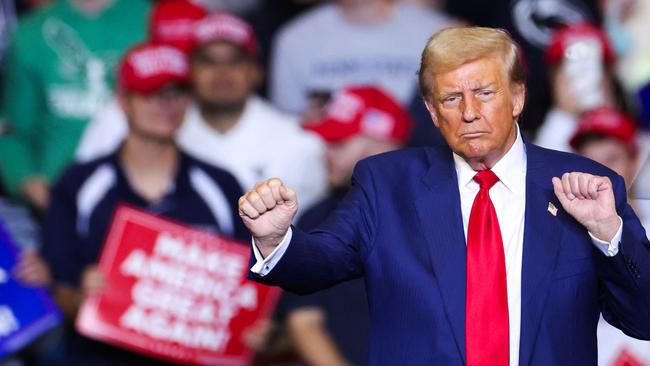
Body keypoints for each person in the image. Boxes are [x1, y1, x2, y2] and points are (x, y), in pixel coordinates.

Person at [239, 27, 650, 365]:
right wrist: (276, 240)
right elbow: (320, 262)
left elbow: (644, 318)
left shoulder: (585, 183)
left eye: (485, 93)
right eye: (452, 98)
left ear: (518, 97)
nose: (469, 112)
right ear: (433, 113)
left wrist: (607, 233)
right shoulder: (388, 184)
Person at [41, 43, 248, 365]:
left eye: (178, 92)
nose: (166, 105)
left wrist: (258, 330)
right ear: (124, 101)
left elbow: (250, 288)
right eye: (151, 93)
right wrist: (84, 297)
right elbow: (58, 288)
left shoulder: (221, 186)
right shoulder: (79, 184)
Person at [76, 11, 327, 213]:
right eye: (207, 60)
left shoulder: (299, 141)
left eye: (235, 60)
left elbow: (313, 231)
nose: (221, 72)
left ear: (256, 72)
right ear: (189, 71)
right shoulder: (162, 126)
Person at [281, 85, 411, 366]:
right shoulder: (317, 218)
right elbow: (304, 321)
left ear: (383, 147)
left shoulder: (440, 212)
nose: (326, 152)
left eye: (338, 143)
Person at [0, 0, 150, 211]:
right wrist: (26, 181)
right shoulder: (32, 32)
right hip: (55, 200)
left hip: (142, 198)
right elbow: (12, 130)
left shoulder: (151, 22)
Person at [568, 107, 650, 365]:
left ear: (634, 162)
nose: (602, 174)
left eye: (612, 158)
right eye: (590, 163)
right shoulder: (563, 236)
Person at [269, 0, 454, 115]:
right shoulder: (294, 38)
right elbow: (287, 125)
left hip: (419, 163)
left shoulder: (439, 31)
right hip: (327, 166)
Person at [534, 22, 623, 153]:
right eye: (574, 70)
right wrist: (564, 114)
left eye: (592, 68)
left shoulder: (632, 129)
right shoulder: (546, 142)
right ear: (554, 79)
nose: (584, 81)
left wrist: (610, 115)